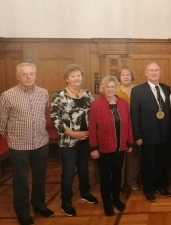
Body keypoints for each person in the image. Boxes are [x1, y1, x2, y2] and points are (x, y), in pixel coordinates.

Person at [0, 63, 54, 225]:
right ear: (18, 76)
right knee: (21, 180)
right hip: (19, 145)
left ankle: (39, 205)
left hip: (41, 142)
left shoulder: (43, 93)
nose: (28, 77)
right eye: (24, 74)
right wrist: (14, 137)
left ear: (35, 75)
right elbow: (2, 123)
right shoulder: (7, 95)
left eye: (31, 74)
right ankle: (23, 213)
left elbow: (45, 114)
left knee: (40, 177)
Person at [51, 64, 98, 217]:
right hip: (68, 141)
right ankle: (66, 202)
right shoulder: (59, 95)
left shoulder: (88, 94)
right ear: (67, 79)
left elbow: (94, 114)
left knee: (84, 168)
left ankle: (85, 193)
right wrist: (72, 133)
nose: (76, 78)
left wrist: (91, 132)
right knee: (69, 172)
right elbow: (55, 118)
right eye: (73, 76)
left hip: (86, 139)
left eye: (78, 75)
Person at [89, 75, 133, 216]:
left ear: (116, 88)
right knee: (105, 176)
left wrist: (129, 142)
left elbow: (128, 124)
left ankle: (116, 199)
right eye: (107, 86)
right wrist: (94, 148)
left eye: (112, 86)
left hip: (120, 147)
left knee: (117, 175)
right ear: (103, 88)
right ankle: (107, 203)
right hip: (103, 148)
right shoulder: (96, 104)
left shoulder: (124, 104)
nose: (109, 89)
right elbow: (92, 128)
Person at [130, 62, 171, 202]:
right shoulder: (137, 91)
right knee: (148, 163)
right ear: (146, 73)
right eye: (151, 70)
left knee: (163, 162)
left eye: (156, 70)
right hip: (147, 135)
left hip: (165, 134)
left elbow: (170, 113)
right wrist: (137, 135)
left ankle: (160, 186)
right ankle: (148, 188)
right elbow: (134, 115)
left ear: (160, 72)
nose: (154, 72)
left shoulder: (166, 89)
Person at [116, 66, 141, 191]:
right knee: (119, 156)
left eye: (128, 74)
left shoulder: (138, 89)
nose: (126, 76)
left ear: (132, 76)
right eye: (123, 74)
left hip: (135, 127)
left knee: (134, 156)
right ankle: (119, 183)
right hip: (119, 128)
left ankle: (132, 181)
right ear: (119, 77)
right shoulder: (113, 90)